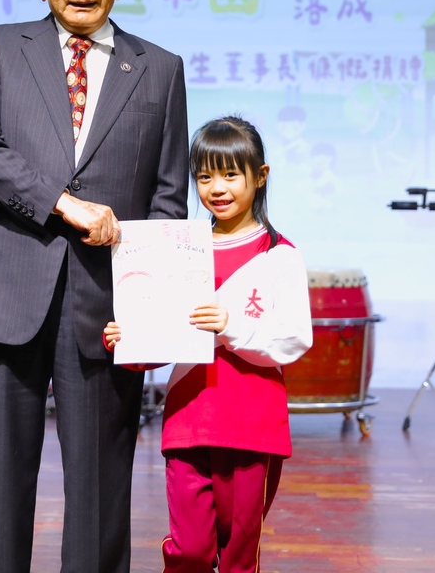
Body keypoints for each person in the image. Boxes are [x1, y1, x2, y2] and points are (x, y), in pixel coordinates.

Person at [0, 0, 189, 573]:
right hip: (7, 293)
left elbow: (169, 199)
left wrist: (153, 318)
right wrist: (64, 205)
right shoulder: (0, 46)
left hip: (107, 311)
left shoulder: (160, 70)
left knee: (101, 490)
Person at [104, 116, 314, 573]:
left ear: (260, 177)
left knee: (239, 552)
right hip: (189, 417)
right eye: (204, 177)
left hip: (253, 422)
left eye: (230, 174)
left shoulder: (279, 256)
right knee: (192, 550)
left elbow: (296, 337)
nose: (216, 188)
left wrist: (231, 325)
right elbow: (168, 329)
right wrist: (131, 339)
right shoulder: (178, 250)